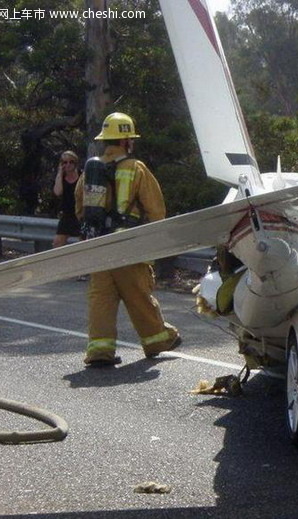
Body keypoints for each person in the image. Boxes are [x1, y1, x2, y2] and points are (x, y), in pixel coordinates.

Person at [75, 112, 181, 366]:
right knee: (138, 295)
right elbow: (156, 210)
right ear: (126, 142)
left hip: (99, 247)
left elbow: (80, 208)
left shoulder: (90, 170)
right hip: (128, 246)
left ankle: (100, 350)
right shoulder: (136, 168)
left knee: (101, 299)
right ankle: (157, 340)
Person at [52, 151, 82, 248]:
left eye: (71, 162)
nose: (68, 165)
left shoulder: (82, 176)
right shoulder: (61, 178)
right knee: (57, 243)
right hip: (66, 215)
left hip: (79, 214)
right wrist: (60, 173)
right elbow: (58, 192)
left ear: (75, 163)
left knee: (83, 243)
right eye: (65, 162)